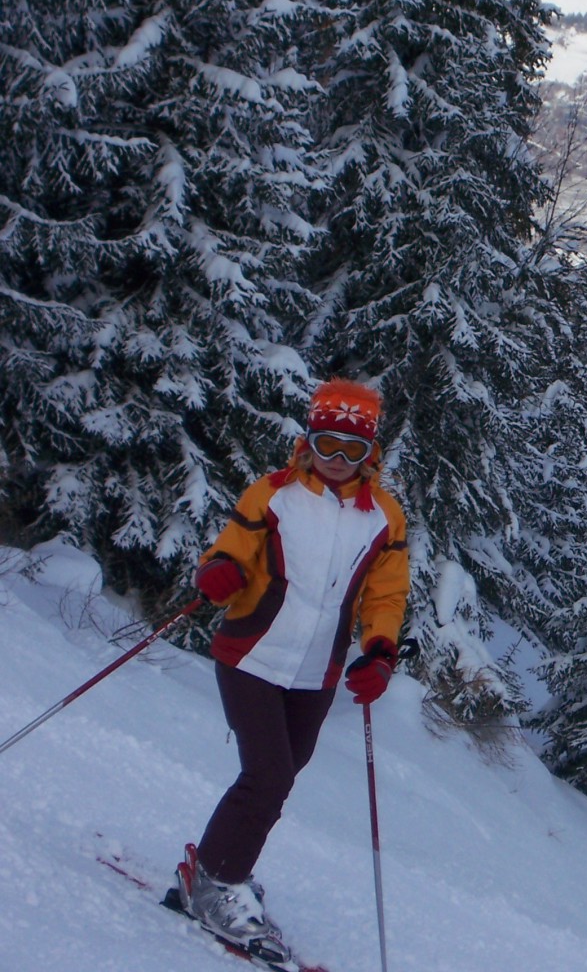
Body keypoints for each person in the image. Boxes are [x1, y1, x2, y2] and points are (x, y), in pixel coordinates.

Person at [171, 378, 410, 961]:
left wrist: (379, 651)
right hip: (251, 654)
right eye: (327, 445)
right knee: (268, 776)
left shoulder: (383, 516)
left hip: (316, 673)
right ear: (308, 440)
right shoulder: (272, 494)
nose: (336, 461)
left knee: (279, 777)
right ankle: (217, 886)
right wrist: (218, 572)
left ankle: (217, 865)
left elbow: (386, 594)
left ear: (369, 454)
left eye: (351, 451)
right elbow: (231, 548)